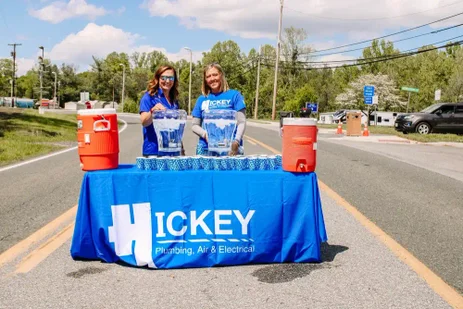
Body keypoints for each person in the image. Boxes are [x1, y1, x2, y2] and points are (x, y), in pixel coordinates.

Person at [191, 63, 246, 156]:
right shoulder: (202, 99)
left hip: (231, 149)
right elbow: (194, 125)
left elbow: (241, 122)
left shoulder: (235, 95)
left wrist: (236, 141)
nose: (212, 79)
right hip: (206, 149)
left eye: (215, 75)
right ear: (205, 79)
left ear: (221, 75)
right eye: (208, 76)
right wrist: (205, 134)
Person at [139, 65, 185, 156]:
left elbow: (176, 128)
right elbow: (144, 122)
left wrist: (181, 149)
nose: (167, 81)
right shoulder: (149, 97)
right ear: (158, 79)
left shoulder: (174, 101)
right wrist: (153, 111)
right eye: (163, 78)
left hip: (172, 151)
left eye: (171, 78)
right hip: (153, 151)